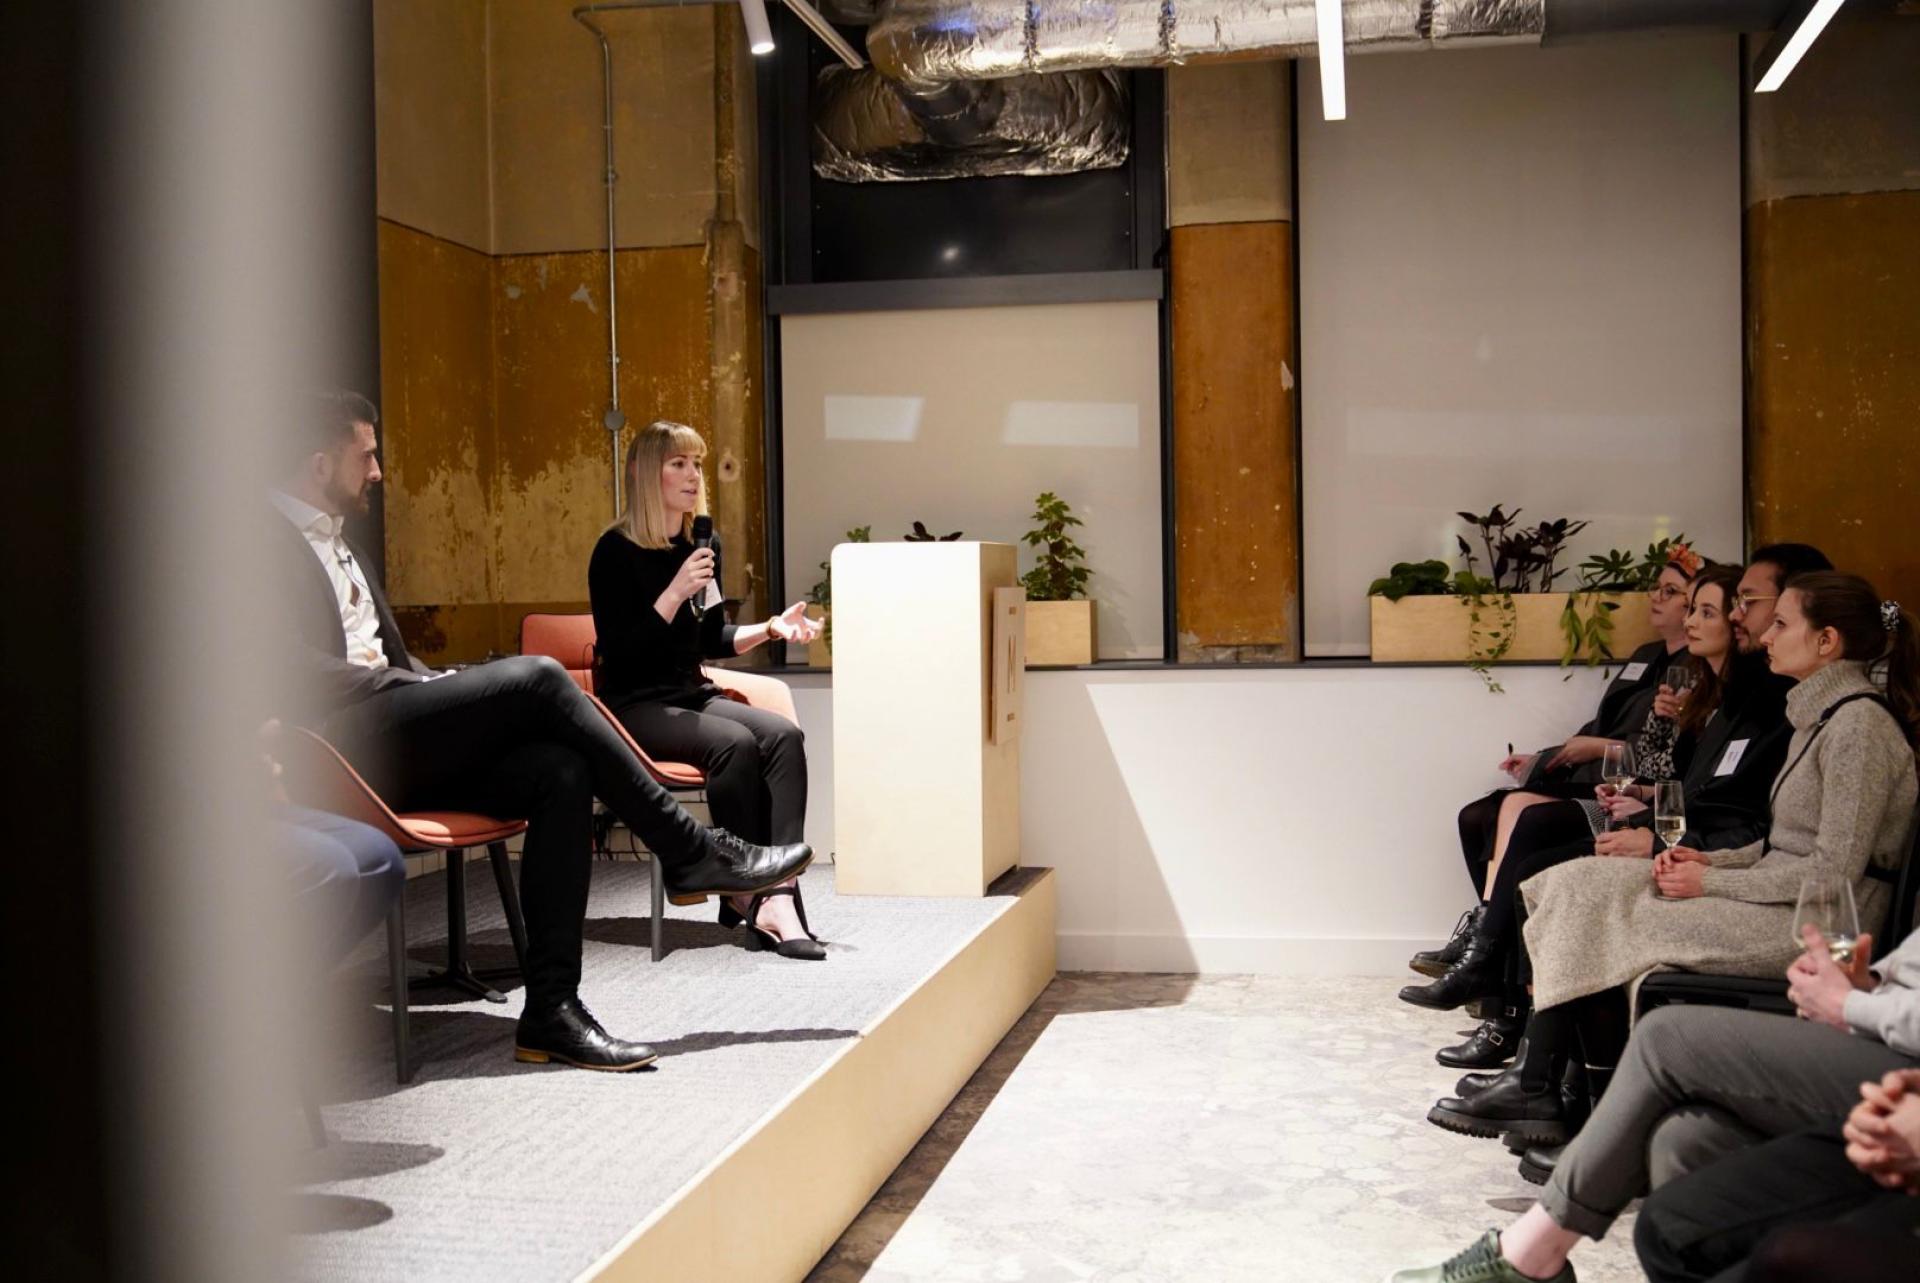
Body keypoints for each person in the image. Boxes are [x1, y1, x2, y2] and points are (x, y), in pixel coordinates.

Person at [272, 391, 814, 1071]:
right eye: (367, 454)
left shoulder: (342, 544)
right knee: (538, 676)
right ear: (322, 463)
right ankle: (688, 848)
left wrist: (437, 680)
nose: (378, 471)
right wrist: (426, 690)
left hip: (397, 728)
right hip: (337, 746)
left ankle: (551, 1011)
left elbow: (390, 657)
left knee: (562, 771)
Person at [1426, 573, 1919, 1146]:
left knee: (1604, 909)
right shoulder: (1825, 717)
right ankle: (1548, 1086)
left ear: (1828, 641)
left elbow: (1833, 876)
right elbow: (1783, 845)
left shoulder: (1858, 727)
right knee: (1574, 883)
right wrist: (1714, 863)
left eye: (1781, 624)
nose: (1763, 635)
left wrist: (1712, 881)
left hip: (1815, 924)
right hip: (1777, 894)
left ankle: (1586, 1112)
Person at [1386, 919, 1920, 1283]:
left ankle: (1529, 1253)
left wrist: (1851, 1005)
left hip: (1899, 1063)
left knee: (1667, 1036)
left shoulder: (1855, 746)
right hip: (1882, 1024)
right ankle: (1537, 1075)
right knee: (1684, 1136)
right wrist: (1868, 987)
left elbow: (1830, 863)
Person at [1404, 568, 1788, 1055]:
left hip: (1678, 835)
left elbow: (1708, 796)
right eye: (1691, 606)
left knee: (1533, 834)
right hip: (1651, 813)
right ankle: (1495, 983)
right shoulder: (1679, 676)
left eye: (1704, 608)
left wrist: (1652, 805)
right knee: (1486, 815)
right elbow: (1673, 775)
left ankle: (1503, 1002)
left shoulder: (1750, 704)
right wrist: (1641, 782)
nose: (1692, 617)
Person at [589, 421, 826, 960]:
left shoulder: (702, 543)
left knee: (784, 737)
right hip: (634, 702)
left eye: (696, 464)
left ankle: (779, 892)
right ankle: (742, 886)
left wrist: (769, 628)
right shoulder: (614, 551)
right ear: (646, 474)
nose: (693, 475)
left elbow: (708, 638)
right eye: (678, 464)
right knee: (734, 744)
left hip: (689, 691)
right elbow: (622, 652)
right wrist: (674, 590)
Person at [1420, 551, 1702, 987]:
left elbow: (1656, 752)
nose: (1656, 597)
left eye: (1672, 591)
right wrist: (1544, 756)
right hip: (1592, 774)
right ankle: (1487, 934)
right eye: (1657, 587)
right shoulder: (1646, 656)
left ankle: (1489, 953)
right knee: (1474, 816)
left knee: (1520, 810)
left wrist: (1593, 749)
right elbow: (1597, 726)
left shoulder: (1696, 673)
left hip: (1627, 788)